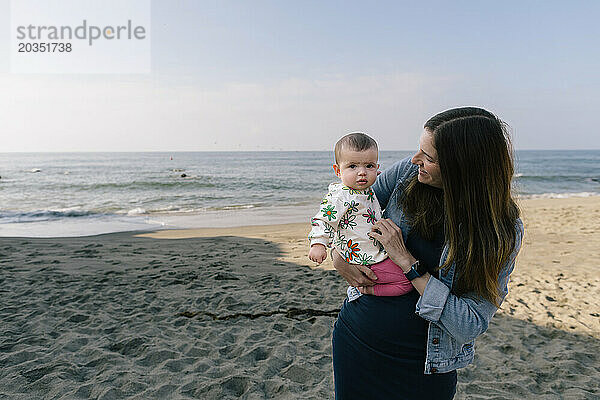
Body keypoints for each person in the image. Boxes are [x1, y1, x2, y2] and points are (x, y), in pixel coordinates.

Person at [331, 107, 524, 399]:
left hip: (424, 367)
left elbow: (469, 324)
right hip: (356, 339)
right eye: (419, 149)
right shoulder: (406, 176)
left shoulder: (501, 230)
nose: (414, 160)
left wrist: (408, 263)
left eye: (429, 157)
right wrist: (337, 255)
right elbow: (343, 209)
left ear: (462, 168)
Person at [308, 132, 413, 299]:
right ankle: (367, 291)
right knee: (406, 283)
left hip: (372, 252)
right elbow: (324, 219)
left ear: (377, 168)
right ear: (337, 170)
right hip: (365, 258)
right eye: (352, 166)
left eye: (369, 166)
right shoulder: (340, 196)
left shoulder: (362, 188)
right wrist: (318, 243)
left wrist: (371, 174)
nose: (362, 172)